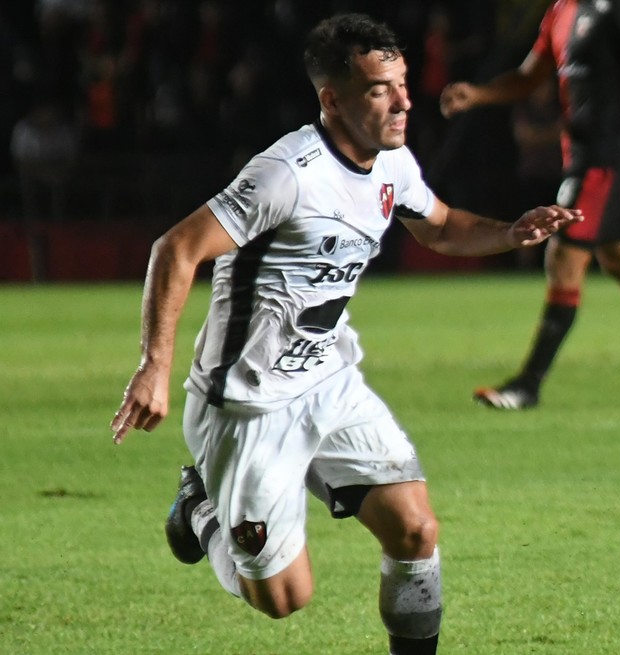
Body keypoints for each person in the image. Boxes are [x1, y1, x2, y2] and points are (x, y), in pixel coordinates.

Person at [108, 14, 580, 655]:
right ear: (333, 99)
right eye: (382, 88)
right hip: (248, 405)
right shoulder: (288, 174)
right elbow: (176, 248)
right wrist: (153, 366)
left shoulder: (394, 163)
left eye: (403, 83)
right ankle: (200, 509)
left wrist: (509, 231)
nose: (405, 100)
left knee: (416, 531)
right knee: (283, 600)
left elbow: (440, 227)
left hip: (328, 379)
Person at [440, 0, 620, 410]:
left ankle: (528, 384)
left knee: (562, 259)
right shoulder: (560, 11)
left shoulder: (619, 10)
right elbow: (529, 77)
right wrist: (479, 94)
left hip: (606, 161)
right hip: (582, 157)